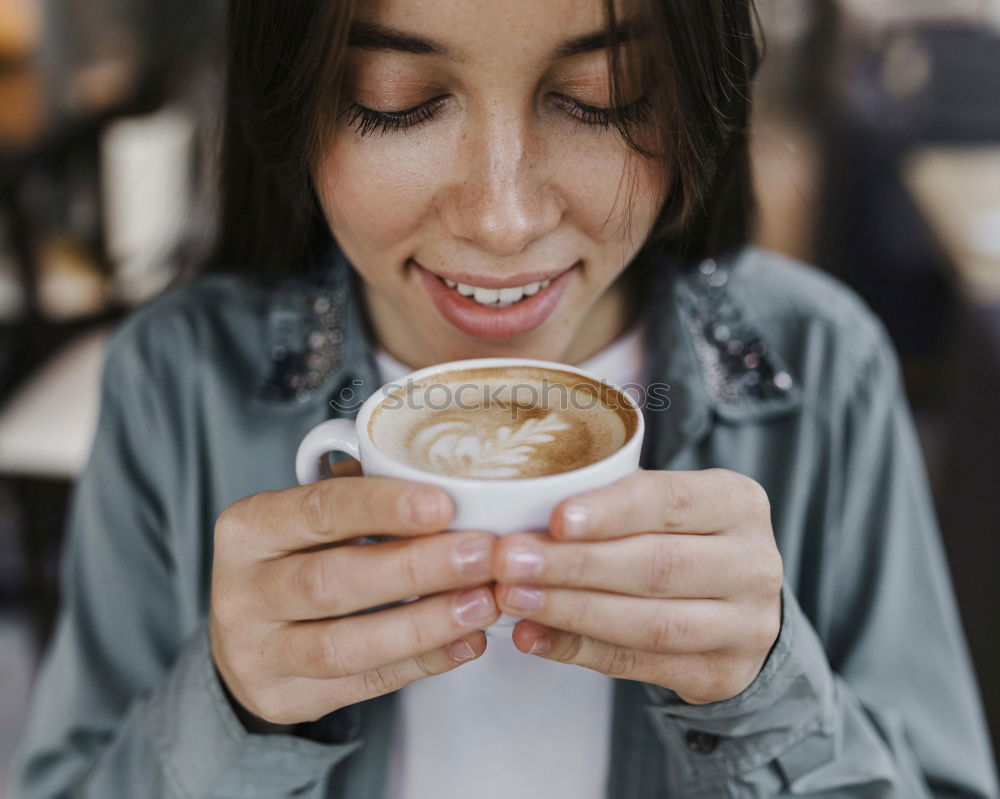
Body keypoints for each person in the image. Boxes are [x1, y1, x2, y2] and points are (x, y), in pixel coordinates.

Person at [11, 1, 999, 797]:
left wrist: (771, 696)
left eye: (602, 95)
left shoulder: (819, 369)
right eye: (393, 100)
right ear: (294, 100)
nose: (501, 217)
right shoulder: (176, 382)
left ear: (697, 93)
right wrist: (229, 712)